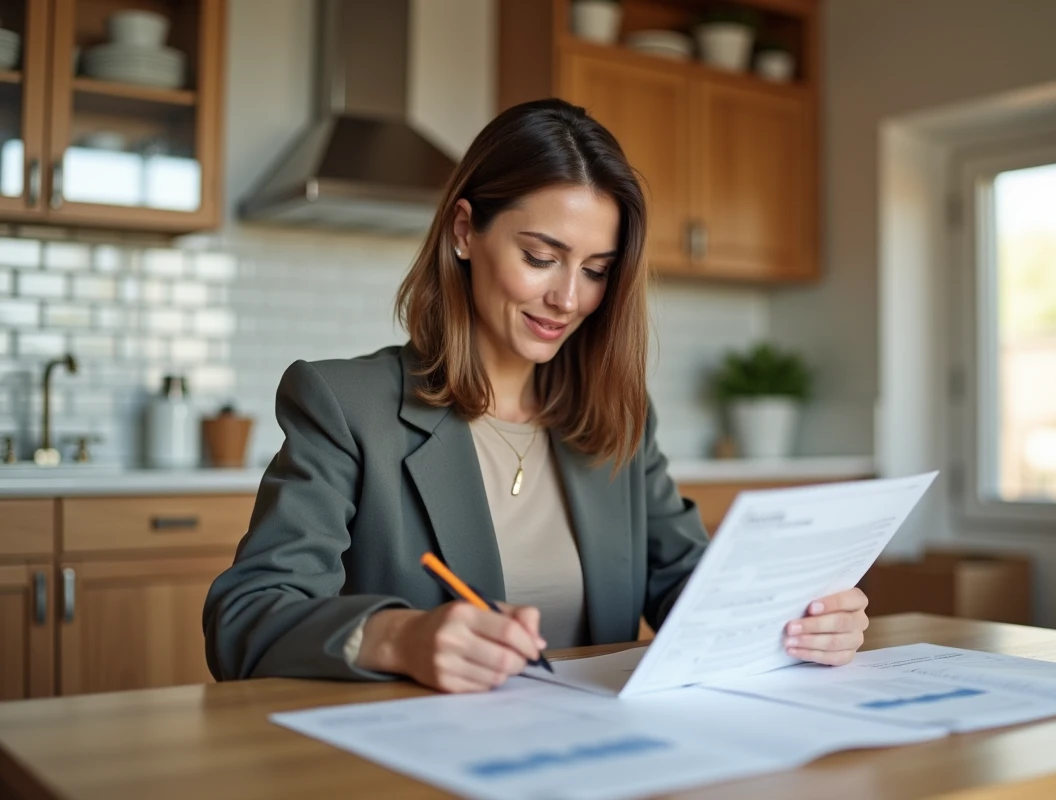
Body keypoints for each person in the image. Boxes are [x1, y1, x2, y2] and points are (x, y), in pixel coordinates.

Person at [203, 98, 869, 694]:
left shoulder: (620, 417)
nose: (569, 299)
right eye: (541, 257)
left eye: (596, 271)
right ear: (465, 231)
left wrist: (799, 618)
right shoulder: (348, 405)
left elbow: (688, 592)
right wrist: (399, 638)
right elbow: (246, 618)